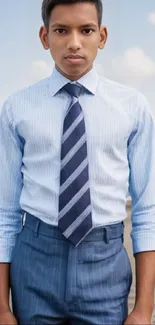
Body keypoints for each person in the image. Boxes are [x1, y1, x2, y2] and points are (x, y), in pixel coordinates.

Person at [0, 0, 155, 324]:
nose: (74, 42)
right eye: (61, 30)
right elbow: (5, 212)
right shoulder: (17, 108)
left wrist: (143, 309)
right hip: (35, 262)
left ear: (102, 35)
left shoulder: (132, 107)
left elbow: (147, 210)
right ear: (45, 37)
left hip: (106, 263)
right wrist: (2, 307)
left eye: (86, 30)